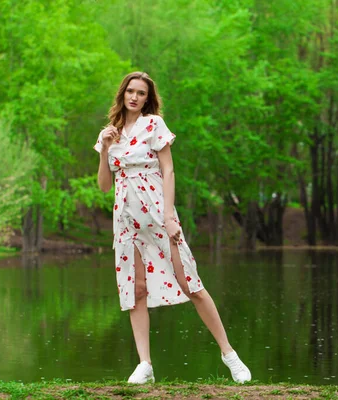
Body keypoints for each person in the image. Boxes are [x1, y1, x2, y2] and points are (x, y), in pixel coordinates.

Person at [94, 71, 251, 384]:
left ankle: (229, 354)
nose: (134, 97)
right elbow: (102, 186)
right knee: (136, 290)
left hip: (155, 212)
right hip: (125, 219)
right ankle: (145, 365)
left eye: (141, 93)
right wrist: (105, 148)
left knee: (189, 280)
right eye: (130, 91)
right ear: (122, 94)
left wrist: (168, 216)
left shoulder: (153, 125)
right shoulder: (109, 134)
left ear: (147, 98)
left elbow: (168, 170)